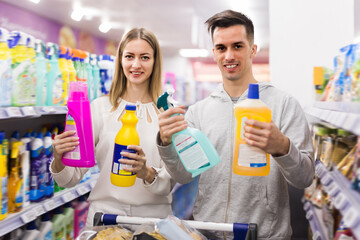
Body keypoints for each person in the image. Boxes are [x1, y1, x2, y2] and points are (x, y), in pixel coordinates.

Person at [157, 10, 314, 240]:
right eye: (221, 48)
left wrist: (283, 147)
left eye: (237, 46)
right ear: (214, 53)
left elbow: (304, 177)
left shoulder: (283, 105)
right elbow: (184, 175)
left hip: (264, 234)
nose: (229, 55)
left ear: (252, 49)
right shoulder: (200, 111)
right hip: (207, 234)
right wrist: (165, 143)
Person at [51, 28, 175, 228]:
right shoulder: (100, 108)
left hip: (153, 221)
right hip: (105, 218)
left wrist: (147, 173)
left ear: (155, 62)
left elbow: (174, 178)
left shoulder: (167, 111)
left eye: (144, 57)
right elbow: (70, 179)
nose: (136, 64)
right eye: (129, 56)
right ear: (120, 60)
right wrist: (59, 159)